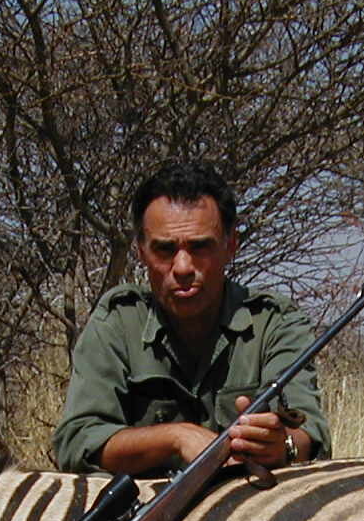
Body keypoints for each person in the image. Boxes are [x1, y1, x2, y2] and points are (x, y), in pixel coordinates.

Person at [52, 161, 330, 477]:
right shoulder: (118, 320)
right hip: (144, 510)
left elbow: (310, 433)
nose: (183, 267)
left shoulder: (276, 322)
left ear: (230, 246)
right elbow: (76, 442)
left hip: (249, 506)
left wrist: (282, 446)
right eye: (165, 249)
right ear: (141, 252)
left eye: (200, 247)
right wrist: (176, 438)